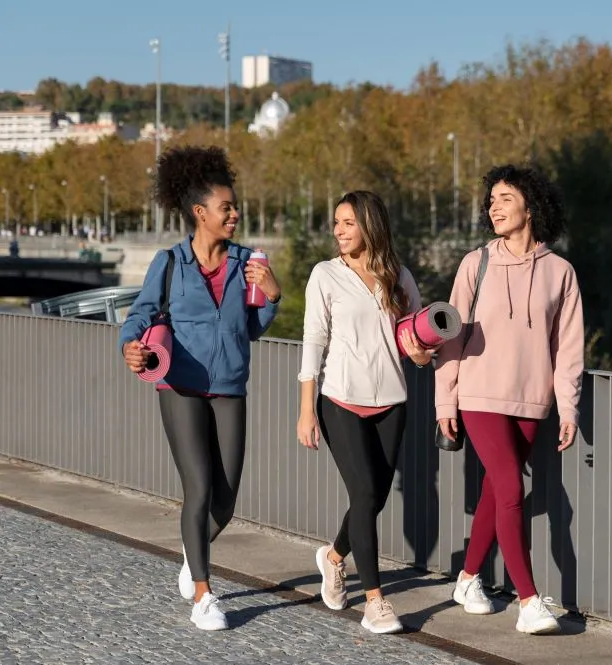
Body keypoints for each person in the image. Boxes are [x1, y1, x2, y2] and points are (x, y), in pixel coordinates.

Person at [118, 145, 281, 631]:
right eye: (226, 207)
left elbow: (251, 328)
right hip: (180, 387)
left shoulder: (246, 263)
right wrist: (131, 344)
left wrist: (272, 296)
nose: (234, 214)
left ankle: (195, 555)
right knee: (199, 486)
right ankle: (205, 596)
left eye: (235, 207)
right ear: (199, 213)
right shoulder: (169, 263)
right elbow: (141, 315)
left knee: (226, 498)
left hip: (230, 385)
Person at [435, 164, 584, 635]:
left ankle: (467, 577)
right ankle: (529, 600)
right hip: (479, 394)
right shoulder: (474, 264)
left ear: (531, 205)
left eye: (504, 198)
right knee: (512, 488)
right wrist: (446, 403)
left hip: (532, 399)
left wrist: (568, 406)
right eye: (491, 200)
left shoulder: (560, 272)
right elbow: (449, 341)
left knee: (495, 492)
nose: (493, 207)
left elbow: (569, 348)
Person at [296, 190, 432, 635]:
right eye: (336, 222)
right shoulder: (325, 275)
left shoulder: (398, 276)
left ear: (370, 225)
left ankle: (334, 557)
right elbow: (314, 341)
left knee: (372, 498)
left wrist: (422, 354)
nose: (338, 231)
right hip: (339, 400)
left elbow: (415, 336)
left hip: (392, 401)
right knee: (365, 495)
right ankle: (375, 602)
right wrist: (306, 410)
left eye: (348, 223)